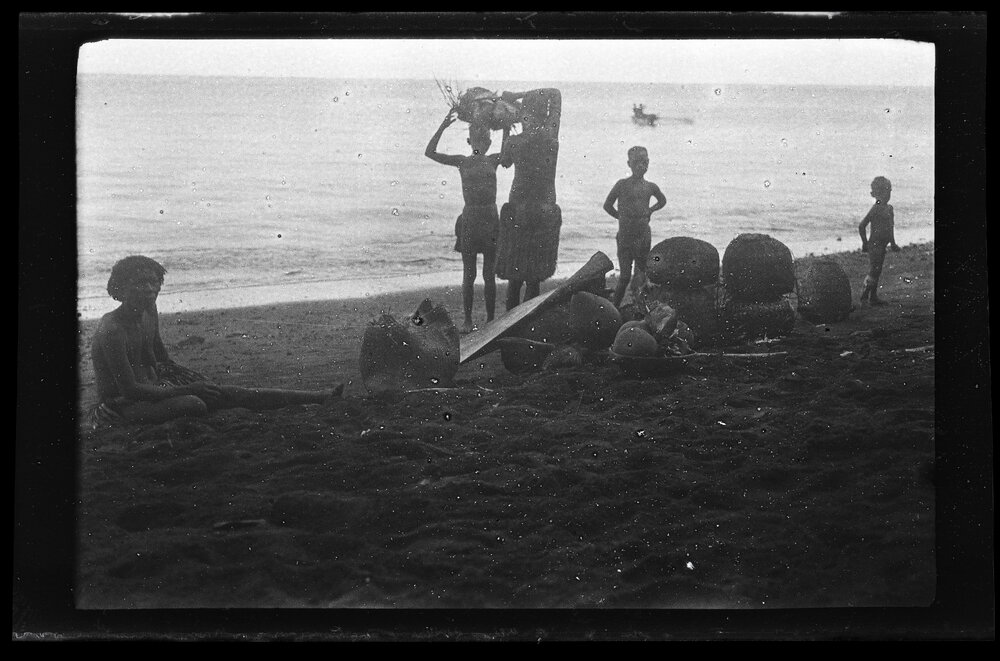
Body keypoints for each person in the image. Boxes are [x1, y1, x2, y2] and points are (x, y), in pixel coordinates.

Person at [87, 255, 341, 429]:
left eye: (154, 282)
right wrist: (187, 389)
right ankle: (316, 397)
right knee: (195, 403)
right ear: (119, 288)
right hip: (120, 407)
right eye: (140, 283)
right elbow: (128, 389)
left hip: (158, 389)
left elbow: (159, 354)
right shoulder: (112, 330)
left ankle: (319, 396)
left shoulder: (148, 310)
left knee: (225, 392)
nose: (150, 289)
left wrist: (184, 378)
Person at [424, 109, 504, 333]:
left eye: (486, 140)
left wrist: (507, 127)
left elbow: (509, 152)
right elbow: (430, 152)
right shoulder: (462, 162)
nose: (483, 143)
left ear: (489, 142)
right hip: (470, 219)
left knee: (489, 274)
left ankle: (490, 319)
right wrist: (442, 126)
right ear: (470, 141)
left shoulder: (494, 160)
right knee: (469, 274)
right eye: (478, 139)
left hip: (489, 218)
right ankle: (468, 320)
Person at [496, 88, 563, 310]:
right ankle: (527, 323)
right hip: (544, 209)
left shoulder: (515, 142)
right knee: (534, 277)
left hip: (518, 209)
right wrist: (519, 94)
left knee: (515, 277)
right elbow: (556, 93)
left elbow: (504, 162)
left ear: (525, 114)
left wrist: (506, 126)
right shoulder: (551, 135)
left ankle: (508, 326)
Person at [602, 146, 667, 307]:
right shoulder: (622, 185)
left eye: (644, 162)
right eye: (637, 162)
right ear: (629, 163)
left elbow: (662, 201)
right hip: (625, 236)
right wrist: (622, 218)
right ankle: (614, 307)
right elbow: (607, 205)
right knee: (624, 277)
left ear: (648, 163)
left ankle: (640, 308)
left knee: (641, 275)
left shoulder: (651, 186)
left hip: (643, 235)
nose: (640, 166)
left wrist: (650, 211)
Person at [858, 176, 900, 305]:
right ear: (876, 194)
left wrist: (893, 243)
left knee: (877, 270)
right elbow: (862, 225)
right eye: (884, 192)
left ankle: (873, 296)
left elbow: (890, 227)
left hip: (883, 244)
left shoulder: (889, 208)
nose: (887, 195)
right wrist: (865, 243)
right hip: (875, 244)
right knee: (874, 270)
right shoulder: (875, 208)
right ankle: (865, 294)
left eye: (889, 192)